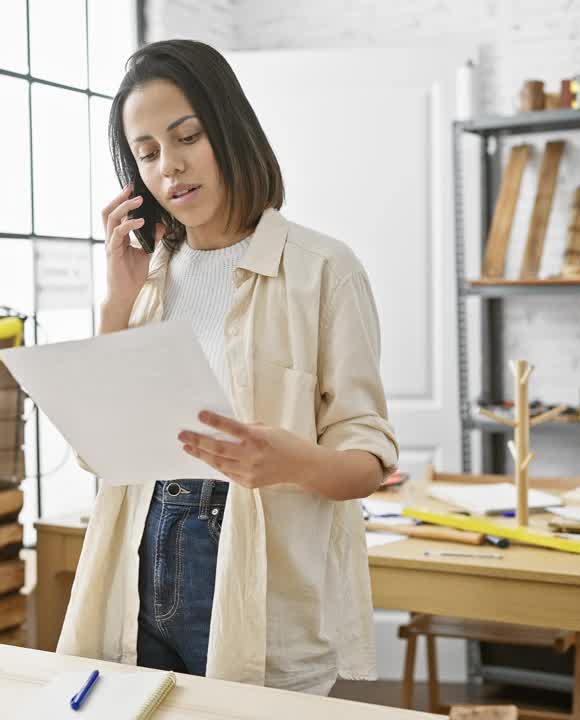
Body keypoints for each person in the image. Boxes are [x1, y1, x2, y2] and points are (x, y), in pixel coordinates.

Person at [56, 39, 398, 696]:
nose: (170, 167)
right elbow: (99, 455)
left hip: (255, 575)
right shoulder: (148, 278)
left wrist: (292, 462)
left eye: (188, 136)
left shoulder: (325, 270)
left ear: (231, 130)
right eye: (148, 152)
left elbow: (368, 457)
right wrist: (116, 303)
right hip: (138, 550)